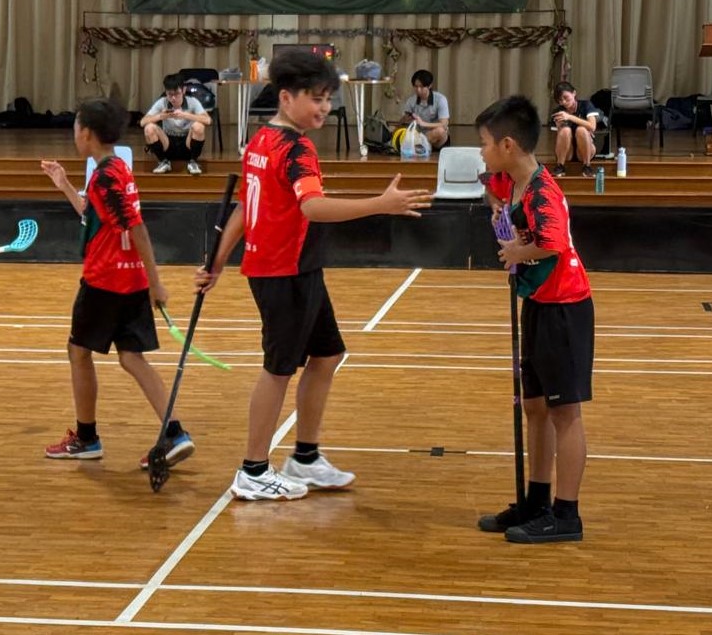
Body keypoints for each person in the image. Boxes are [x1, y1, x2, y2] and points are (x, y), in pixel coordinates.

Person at [196, 51, 432, 500]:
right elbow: (313, 207)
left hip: (296, 268)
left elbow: (246, 206)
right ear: (287, 98)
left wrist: (217, 262)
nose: (324, 107)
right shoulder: (295, 148)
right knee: (278, 369)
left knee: (326, 355)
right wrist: (380, 205)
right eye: (316, 98)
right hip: (283, 271)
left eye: (328, 99)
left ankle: (304, 457)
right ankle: (253, 469)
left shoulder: (261, 140)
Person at [40, 97, 194, 469]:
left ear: (86, 133)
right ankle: (174, 432)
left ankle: (87, 437)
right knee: (131, 357)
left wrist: (157, 283)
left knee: (78, 352)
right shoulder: (116, 169)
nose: (74, 134)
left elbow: (136, 228)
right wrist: (64, 184)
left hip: (105, 280)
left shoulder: (106, 176)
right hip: (131, 279)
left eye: (76, 127)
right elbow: (93, 216)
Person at [475, 95, 594, 544]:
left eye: (486, 144)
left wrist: (516, 250)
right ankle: (537, 500)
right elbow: (489, 187)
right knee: (535, 407)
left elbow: (552, 242)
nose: (482, 152)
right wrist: (496, 207)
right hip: (539, 303)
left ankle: (566, 514)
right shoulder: (512, 182)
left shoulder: (544, 191)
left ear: (508, 145)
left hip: (565, 307)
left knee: (564, 412)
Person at [141, 74, 212, 175]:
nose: (173, 98)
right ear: (166, 92)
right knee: (149, 128)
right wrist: (161, 116)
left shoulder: (192, 102)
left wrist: (186, 115)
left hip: (187, 143)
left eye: (177, 94)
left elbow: (208, 120)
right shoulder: (162, 102)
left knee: (199, 126)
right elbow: (143, 122)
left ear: (183, 90)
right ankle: (163, 161)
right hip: (168, 142)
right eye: (170, 94)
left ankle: (193, 161)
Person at [549, 81, 601, 178]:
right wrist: (559, 126)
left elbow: (592, 126)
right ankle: (560, 165)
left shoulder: (586, 105)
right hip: (567, 152)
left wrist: (569, 117)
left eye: (566, 98)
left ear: (574, 93)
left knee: (581, 130)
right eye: (560, 100)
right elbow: (558, 137)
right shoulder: (558, 112)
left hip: (585, 150)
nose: (564, 102)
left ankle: (587, 166)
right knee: (565, 130)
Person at [400, 69, 450, 151]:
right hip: (418, 134)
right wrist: (405, 119)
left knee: (440, 131)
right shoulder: (411, 100)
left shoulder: (440, 99)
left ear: (429, 86)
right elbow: (402, 123)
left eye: (422, 87)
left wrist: (423, 123)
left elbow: (444, 124)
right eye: (416, 86)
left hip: (436, 138)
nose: (418, 90)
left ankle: (418, 145)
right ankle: (420, 145)